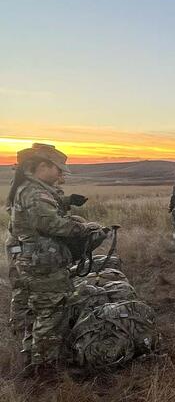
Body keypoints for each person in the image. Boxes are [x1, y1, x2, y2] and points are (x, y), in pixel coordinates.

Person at [8, 145, 103, 372]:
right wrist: (84, 229)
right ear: (42, 166)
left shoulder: (32, 189)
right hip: (43, 265)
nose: (61, 176)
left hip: (39, 262)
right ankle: (47, 370)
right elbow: (50, 223)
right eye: (58, 170)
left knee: (41, 312)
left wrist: (66, 201)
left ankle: (34, 360)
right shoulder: (34, 192)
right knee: (52, 314)